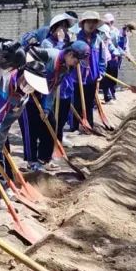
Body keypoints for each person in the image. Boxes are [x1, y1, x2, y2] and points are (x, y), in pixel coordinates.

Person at [19, 14, 73, 161]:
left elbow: (53, 86)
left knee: (49, 123)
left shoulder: (64, 66)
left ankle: (44, 158)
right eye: (61, 27)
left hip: (45, 91)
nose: (64, 30)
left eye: (66, 27)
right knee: (31, 127)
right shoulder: (47, 46)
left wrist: (47, 107)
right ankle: (31, 161)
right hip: (30, 90)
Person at [73, 11, 106, 130]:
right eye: (88, 22)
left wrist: (101, 71)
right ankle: (75, 126)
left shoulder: (98, 39)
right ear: (83, 23)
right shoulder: (76, 38)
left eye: (94, 22)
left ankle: (89, 124)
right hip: (77, 76)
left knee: (89, 102)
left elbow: (102, 57)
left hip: (93, 76)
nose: (91, 24)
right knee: (76, 102)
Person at [105, 22, 136, 101]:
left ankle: (112, 93)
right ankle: (108, 95)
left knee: (114, 76)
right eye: (131, 32)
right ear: (128, 29)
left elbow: (126, 47)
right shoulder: (117, 34)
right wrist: (125, 54)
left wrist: (129, 55)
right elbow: (116, 47)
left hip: (118, 59)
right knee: (109, 77)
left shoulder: (126, 37)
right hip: (111, 58)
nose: (131, 35)